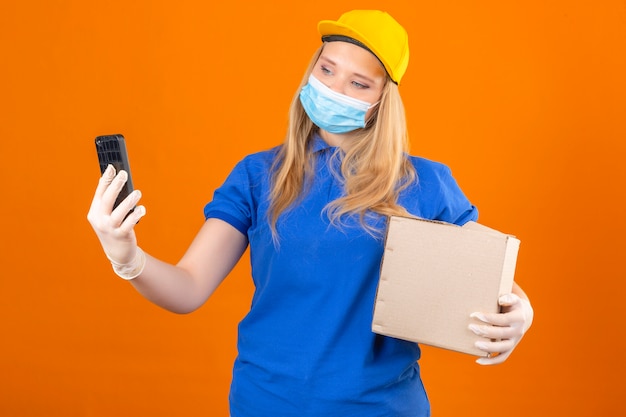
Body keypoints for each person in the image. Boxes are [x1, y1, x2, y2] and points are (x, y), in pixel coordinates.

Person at [88, 9, 533, 417]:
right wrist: (127, 256)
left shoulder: (425, 183)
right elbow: (187, 290)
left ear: (382, 100)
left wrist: (521, 312)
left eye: (359, 83)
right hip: (266, 403)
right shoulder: (258, 175)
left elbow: (492, 282)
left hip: (381, 407)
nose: (334, 89)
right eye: (327, 69)